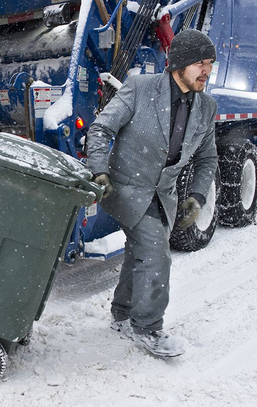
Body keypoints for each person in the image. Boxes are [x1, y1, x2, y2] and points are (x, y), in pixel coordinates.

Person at [86, 29, 219, 357]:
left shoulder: (206, 107)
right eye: (200, 63)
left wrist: (198, 197)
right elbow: (102, 128)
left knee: (139, 252)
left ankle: (122, 313)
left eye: (210, 63)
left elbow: (207, 158)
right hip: (126, 188)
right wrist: (99, 170)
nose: (206, 70)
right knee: (156, 253)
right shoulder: (140, 88)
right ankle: (148, 327)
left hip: (163, 195)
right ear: (179, 65)